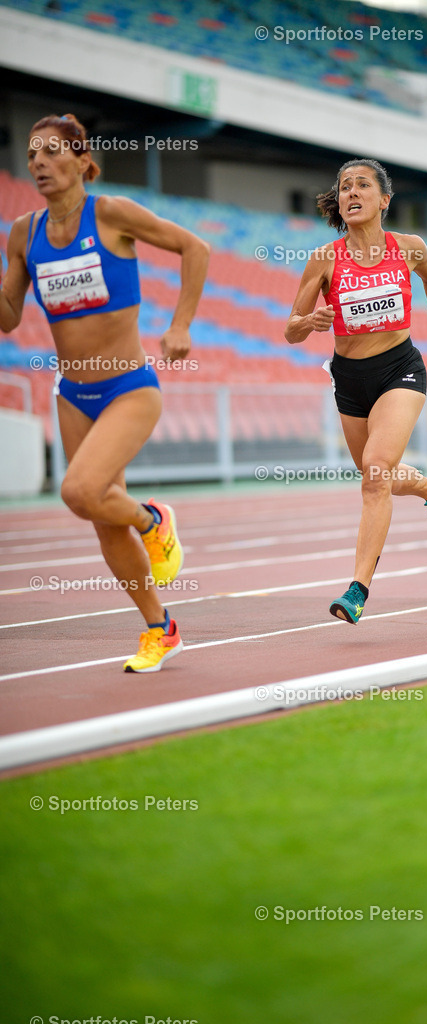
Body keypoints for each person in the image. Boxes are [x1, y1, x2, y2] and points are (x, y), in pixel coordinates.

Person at [0, 114, 210, 670]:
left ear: (80, 159)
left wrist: (181, 324)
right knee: (99, 514)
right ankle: (159, 629)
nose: (38, 164)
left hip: (129, 387)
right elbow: (7, 317)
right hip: (73, 393)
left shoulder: (111, 214)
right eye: (31, 155)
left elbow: (196, 249)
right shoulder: (24, 234)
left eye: (50, 152)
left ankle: (153, 519)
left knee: (78, 490)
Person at [285, 158, 427, 624]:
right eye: (345, 186)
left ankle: (357, 589)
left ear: (384, 199)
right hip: (349, 378)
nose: (351, 193)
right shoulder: (324, 259)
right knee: (374, 474)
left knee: (375, 474)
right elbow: (291, 331)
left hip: (399, 369)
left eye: (362, 185)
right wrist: (311, 321)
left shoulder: (409, 247)